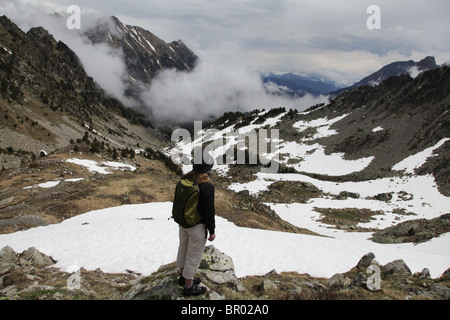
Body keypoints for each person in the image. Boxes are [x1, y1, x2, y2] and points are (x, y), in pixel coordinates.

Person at [174, 152, 216, 296]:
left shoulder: (185, 180)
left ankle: (182, 276)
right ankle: (188, 286)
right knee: (194, 255)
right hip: (197, 227)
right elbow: (209, 210)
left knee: (183, 249)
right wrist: (212, 230)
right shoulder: (206, 186)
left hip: (183, 224)